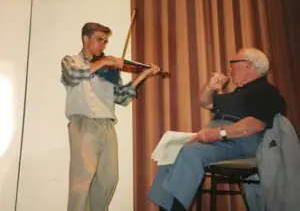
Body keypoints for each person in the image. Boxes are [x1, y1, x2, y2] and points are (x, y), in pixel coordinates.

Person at [148, 47, 287, 211]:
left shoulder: (265, 91)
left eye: (232, 63)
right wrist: (210, 87)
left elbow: (255, 124)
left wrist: (217, 133)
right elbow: (205, 102)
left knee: (191, 152)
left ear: (248, 66)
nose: (229, 68)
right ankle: (166, 207)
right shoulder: (239, 93)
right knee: (172, 151)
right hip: (226, 139)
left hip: (242, 140)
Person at [60, 22, 160, 211]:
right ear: (85, 38)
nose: (103, 45)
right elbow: (73, 76)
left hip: (107, 126)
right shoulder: (71, 60)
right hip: (83, 123)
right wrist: (104, 62)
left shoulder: (108, 71)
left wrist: (144, 75)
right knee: (82, 180)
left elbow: (121, 97)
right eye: (100, 40)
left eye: (105, 42)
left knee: (109, 179)